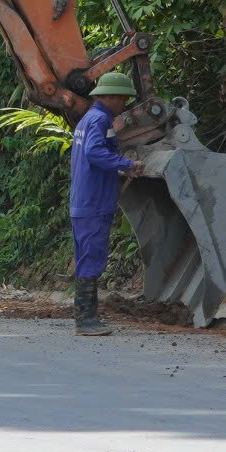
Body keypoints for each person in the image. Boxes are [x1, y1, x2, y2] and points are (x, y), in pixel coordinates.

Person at [69, 69, 140, 336]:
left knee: (86, 256)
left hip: (83, 200)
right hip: (94, 202)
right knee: (92, 257)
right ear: (110, 97)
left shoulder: (88, 119)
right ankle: (85, 321)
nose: (124, 106)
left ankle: (86, 318)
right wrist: (127, 164)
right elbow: (94, 152)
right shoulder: (99, 120)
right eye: (123, 99)